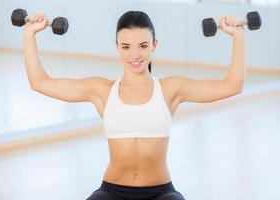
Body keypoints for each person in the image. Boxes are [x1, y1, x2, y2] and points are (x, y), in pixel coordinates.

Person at [24, 10, 245, 200]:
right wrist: (29, 34)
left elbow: (232, 85)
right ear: (117, 47)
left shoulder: (170, 89)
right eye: (126, 46)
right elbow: (40, 82)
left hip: (161, 193)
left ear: (154, 45)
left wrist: (238, 37)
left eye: (143, 45)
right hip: (112, 192)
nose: (135, 54)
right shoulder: (101, 91)